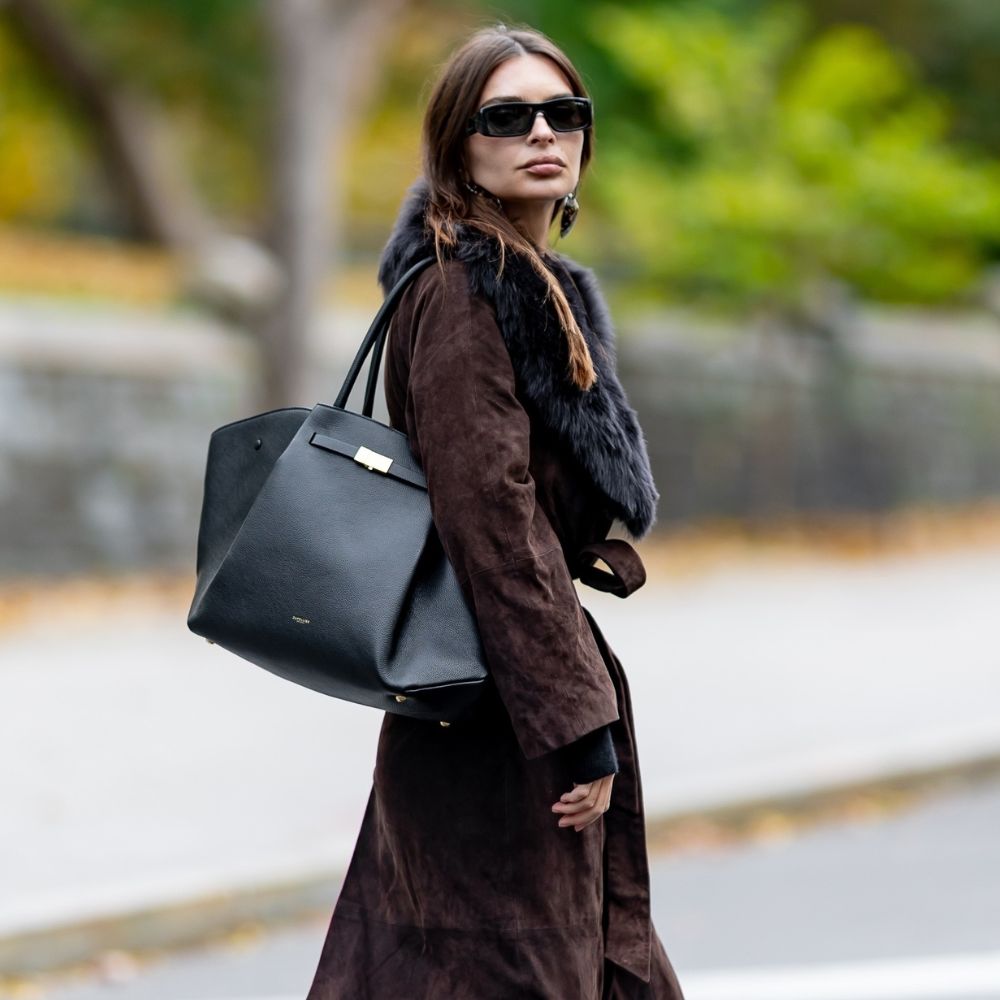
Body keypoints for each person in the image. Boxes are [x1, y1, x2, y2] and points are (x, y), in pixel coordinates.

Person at [306, 22, 686, 1000]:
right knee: (502, 966)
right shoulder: (463, 292)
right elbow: (495, 523)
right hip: (493, 706)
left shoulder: (534, 289)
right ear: (456, 145)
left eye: (564, 113)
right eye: (507, 117)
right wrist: (570, 719)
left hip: (504, 689)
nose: (542, 134)